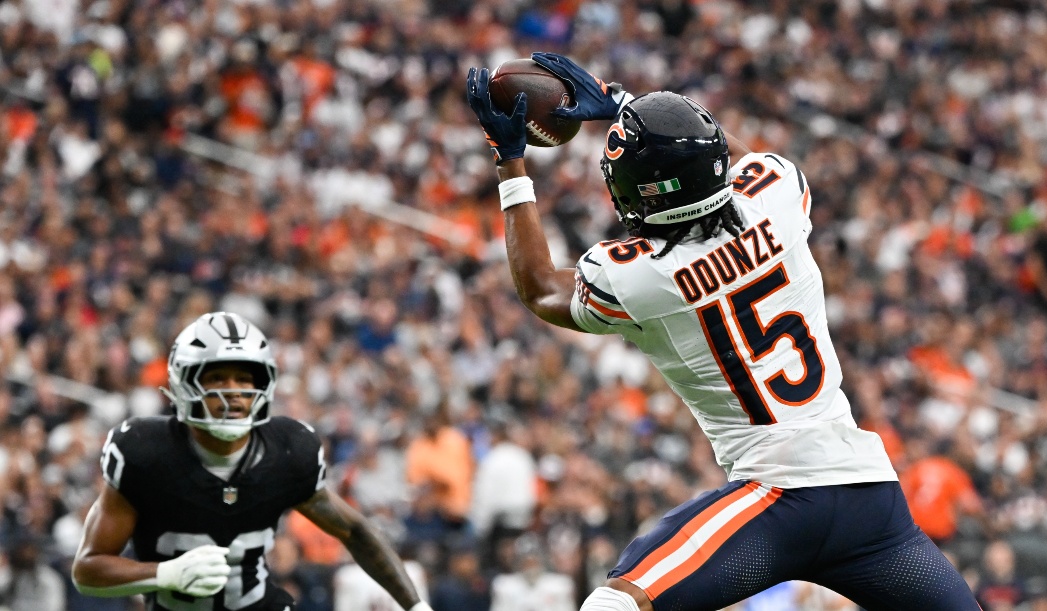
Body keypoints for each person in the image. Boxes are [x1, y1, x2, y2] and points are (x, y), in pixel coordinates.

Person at [465, 53, 982, 611]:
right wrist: (628, 105)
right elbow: (734, 156)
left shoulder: (642, 273)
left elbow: (541, 288)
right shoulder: (776, 196)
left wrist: (510, 162)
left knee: (614, 606)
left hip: (776, 502)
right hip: (868, 498)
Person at [71, 312, 432, 611]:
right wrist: (164, 574)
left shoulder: (288, 452)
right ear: (184, 383)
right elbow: (87, 570)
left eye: (244, 379)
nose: (234, 393)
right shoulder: (145, 453)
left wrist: (416, 607)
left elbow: (356, 530)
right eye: (216, 378)